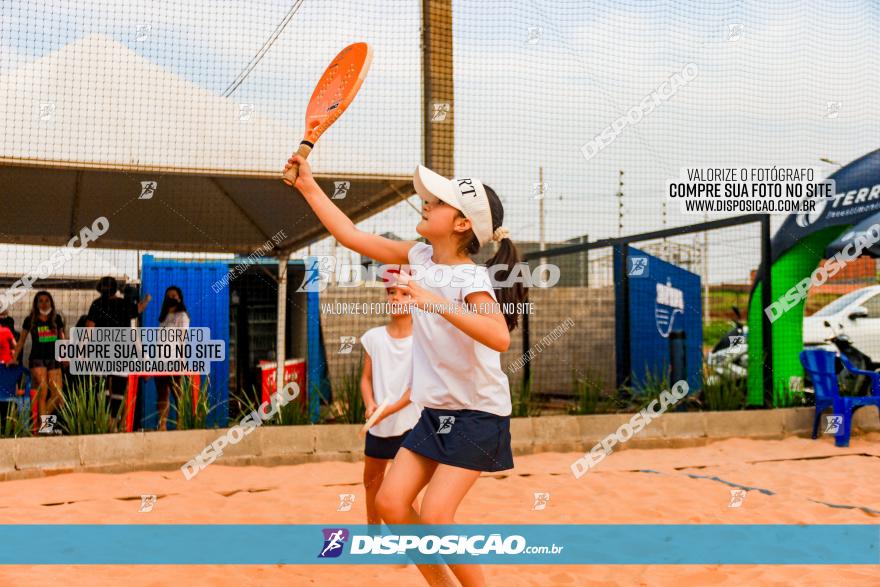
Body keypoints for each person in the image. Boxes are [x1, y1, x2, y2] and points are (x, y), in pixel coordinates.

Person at [285, 154, 526, 586]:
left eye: (438, 202)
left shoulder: (470, 278)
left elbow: (499, 337)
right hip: (437, 413)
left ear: (461, 224)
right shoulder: (418, 257)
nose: (426, 204)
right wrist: (307, 185)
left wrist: (433, 301)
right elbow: (351, 235)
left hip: (478, 414)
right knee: (391, 504)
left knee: (435, 516)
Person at [360, 268, 421, 528]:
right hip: (378, 424)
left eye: (404, 293)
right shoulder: (374, 338)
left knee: (406, 491)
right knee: (371, 481)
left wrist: (387, 411)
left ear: (415, 299)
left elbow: (416, 390)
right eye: (392, 292)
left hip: (410, 425)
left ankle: (414, 543)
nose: (395, 298)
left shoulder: (422, 340)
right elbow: (365, 379)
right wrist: (370, 405)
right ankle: (373, 536)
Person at [85, 276, 151, 424]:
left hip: (101, 351)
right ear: (116, 289)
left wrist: (81, 351)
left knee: (103, 389)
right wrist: (147, 300)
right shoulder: (125, 304)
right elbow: (138, 310)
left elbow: (88, 330)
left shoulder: (97, 304)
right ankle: (113, 422)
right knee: (117, 389)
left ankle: (45, 430)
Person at [11, 291, 66, 417]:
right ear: (36, 304)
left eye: (47, 300)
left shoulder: (57, 319)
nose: (44, 304)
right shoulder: (30, 319)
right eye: (40, 301)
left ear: (51, 302)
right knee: (43, 392)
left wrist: (66, 357)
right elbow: (21, 341)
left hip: (54, 359)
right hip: (37, 359)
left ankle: (43, 424)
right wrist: (14, 358)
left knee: (57, 395)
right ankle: (46, 430)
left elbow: (62, 339)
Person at [155, 286, 190, 431]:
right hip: (160, 361)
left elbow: (183, 340)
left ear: (179, 298)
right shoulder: (163, 318)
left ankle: (180, 424)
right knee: (162, 395)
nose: (171, 297)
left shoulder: (182, 316)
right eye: (168, 295)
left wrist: (182, 361)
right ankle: (162, 424)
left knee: (178, 395)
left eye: (174, 295)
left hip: (175, 361)